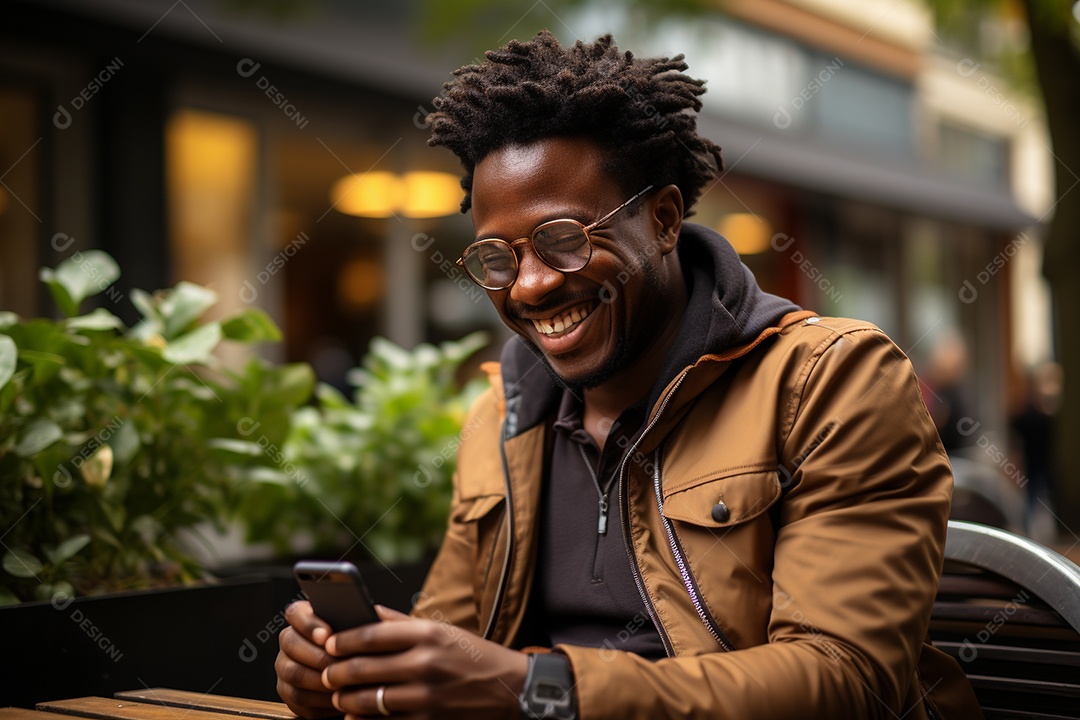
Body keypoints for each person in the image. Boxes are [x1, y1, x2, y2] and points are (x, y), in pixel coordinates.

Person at [276, 32, 981, 719]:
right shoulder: (505, 414)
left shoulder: (832, 382)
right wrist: (363, 677)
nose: (529, 287)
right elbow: (458, 646)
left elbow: (848, 681)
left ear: (665, 218)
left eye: (565, 240)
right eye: (497, 257)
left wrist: (540, 689)